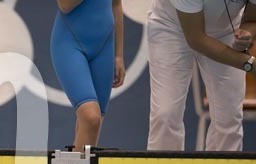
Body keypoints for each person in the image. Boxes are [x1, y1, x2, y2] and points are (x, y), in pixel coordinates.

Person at [147, 0, 256, 151]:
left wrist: (246, 35)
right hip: (171, 27)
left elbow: (252, 19)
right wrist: (248, 63)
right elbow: (197, 39)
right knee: (165, 114)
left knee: (229, 116)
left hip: (226, 30)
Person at [50, 0, 125, 152]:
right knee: (91, 117)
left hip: (105, 46)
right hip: (70, 42)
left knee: (91, 124)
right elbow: (65, 5)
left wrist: (118, 55)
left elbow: (116, 5)